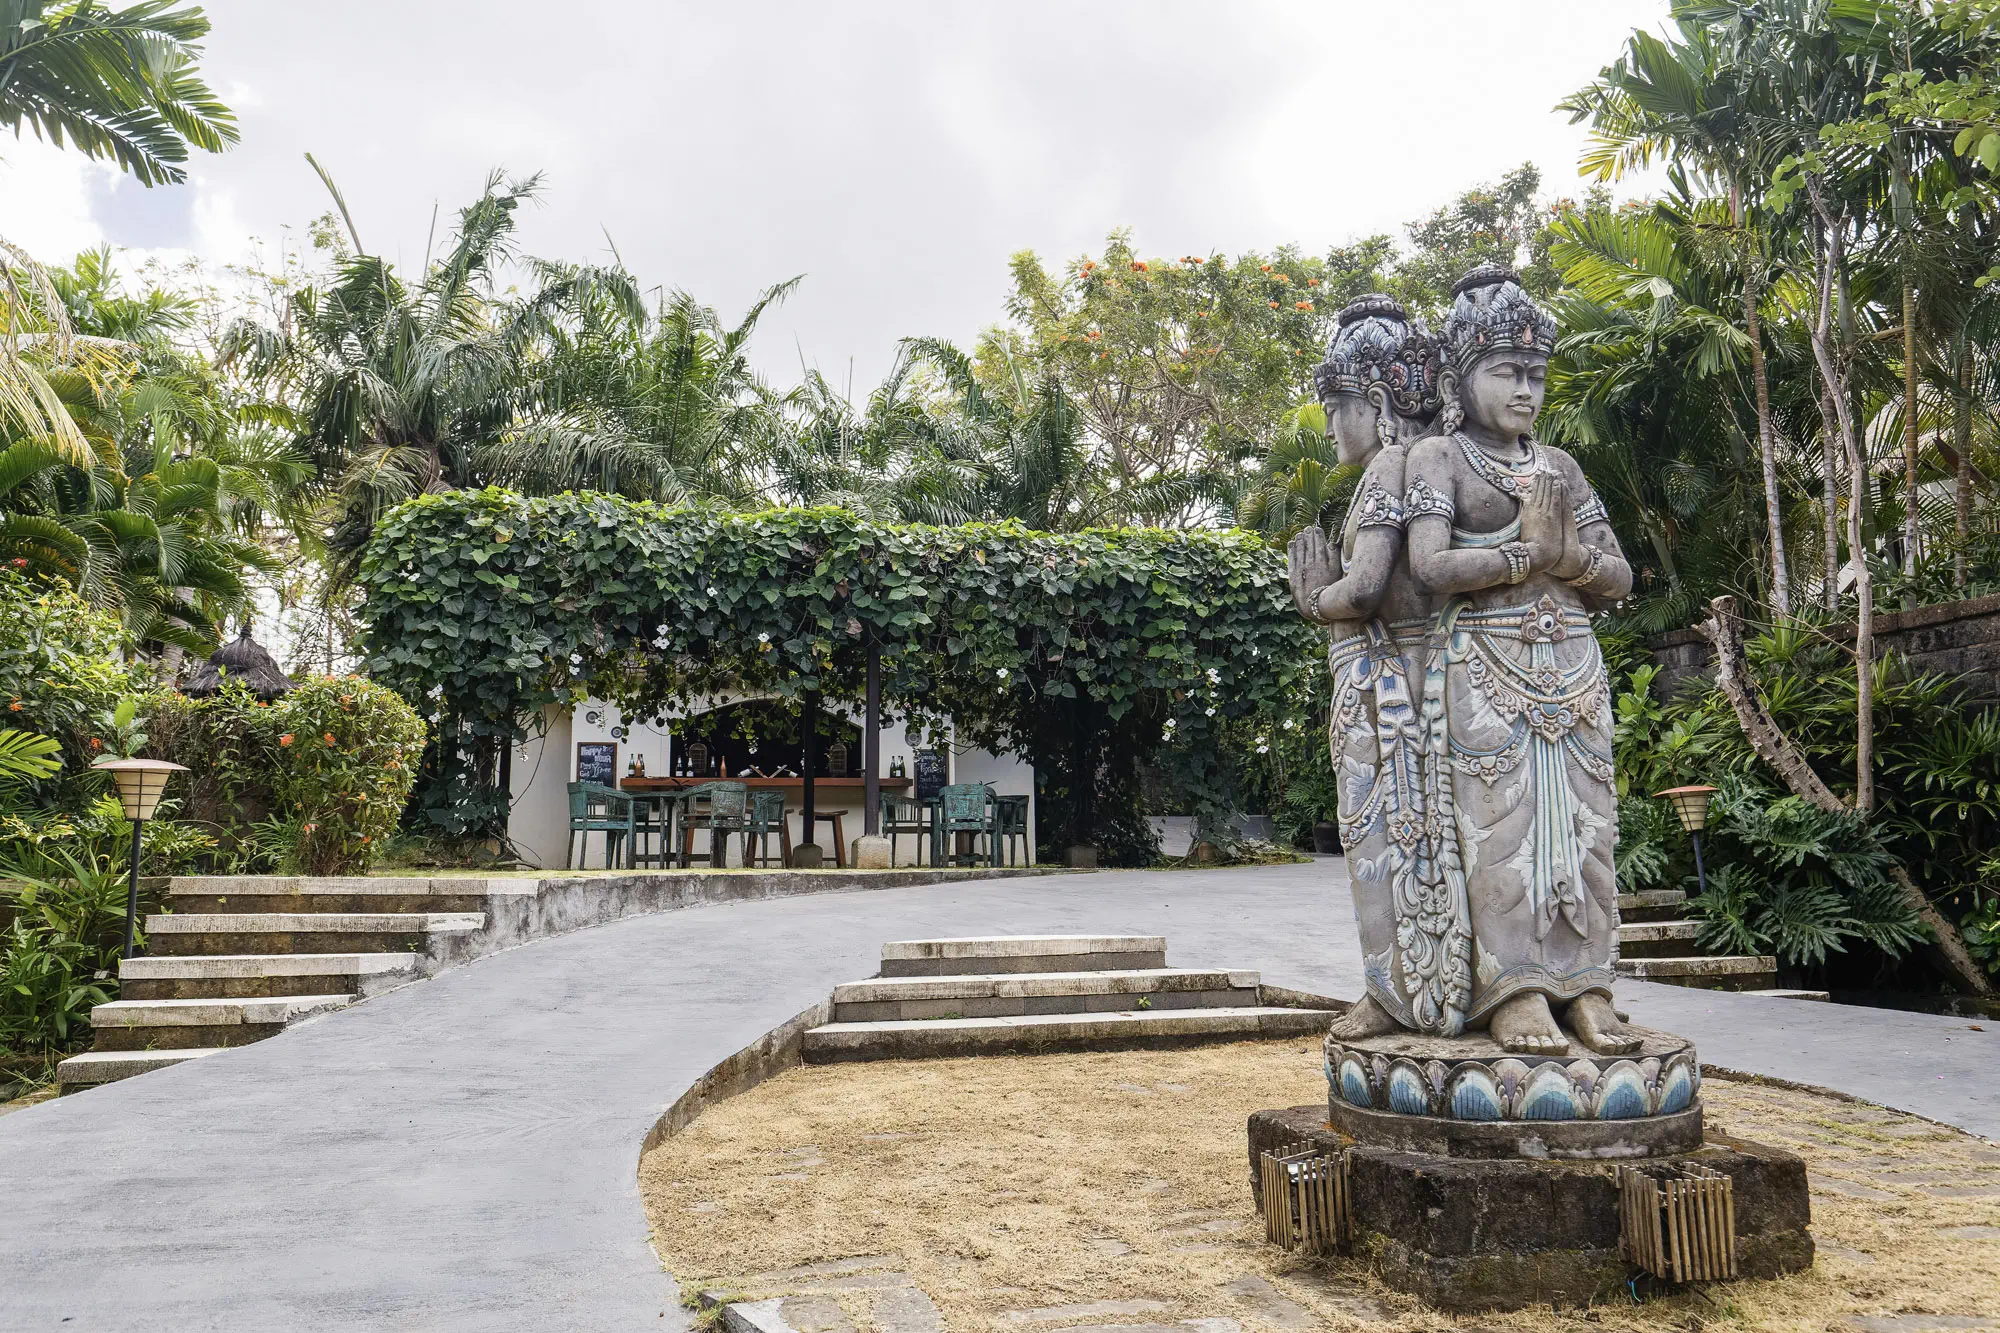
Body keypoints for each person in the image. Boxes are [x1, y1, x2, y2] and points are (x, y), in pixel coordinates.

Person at [1401, 264, 1638, 1055]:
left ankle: (1591, 986)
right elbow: (1431, 565)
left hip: (1571, 662)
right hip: (1486, 664)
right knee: (1500, 830)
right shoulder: (1441, 458)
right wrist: (1521, 554)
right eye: (1507, 371)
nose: (1527, 390)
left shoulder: (1560, 467)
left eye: (1537, 374)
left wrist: (1566, 559)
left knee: (1586, 830)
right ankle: (1516, 988)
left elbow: (1618, 573)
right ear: (1461, 378)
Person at [1286, 295, 1463, 1038]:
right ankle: (1408, 985)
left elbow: (1362, 588)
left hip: (1392, 681)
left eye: (1337, 406)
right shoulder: (1408, 466)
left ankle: (1396, 989)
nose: (1329, 425)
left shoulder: (1392, 464)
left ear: (1381, 401)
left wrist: (1312, 597)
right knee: (1405, 839)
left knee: (1384, 842)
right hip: (1402, 673)